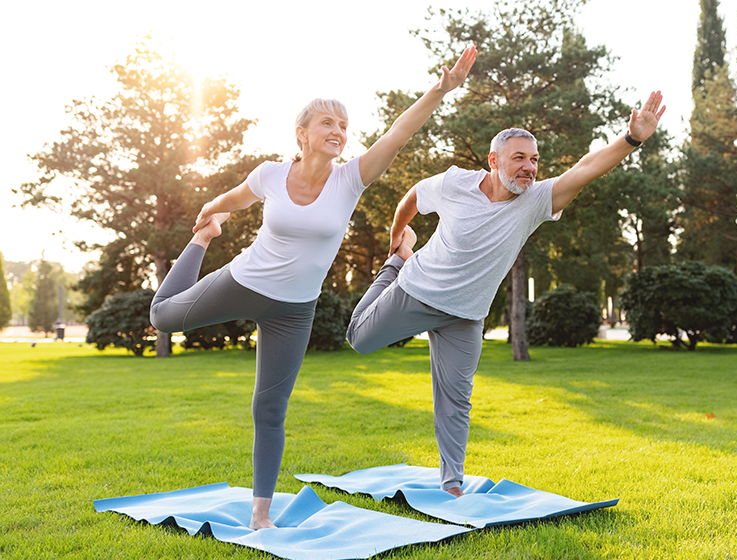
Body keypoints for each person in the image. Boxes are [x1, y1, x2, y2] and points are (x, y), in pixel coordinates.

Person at [149, 45, 477, 529]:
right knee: (161, 317)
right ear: (301, 134)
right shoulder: (271, 175)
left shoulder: (351, 179)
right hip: (243, 280)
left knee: (269, 407)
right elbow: (238, 196)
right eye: (328, 123)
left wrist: (440, 90)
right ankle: (200, 244)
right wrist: (209, 216)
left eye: (343, 126)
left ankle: (262, 514)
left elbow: (399, 133)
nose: (338, 132)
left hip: (294, 310)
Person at [346, 91, 666, 497]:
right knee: (358, 339)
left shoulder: (535, 201)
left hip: (465, 315)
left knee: (455, 402)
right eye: (519, 158)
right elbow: (412, 196)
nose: (529, 168)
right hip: (417, 290)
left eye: (534, 160)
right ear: (494, 160)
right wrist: (397, 241)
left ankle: (452, 486)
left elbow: (585, 169)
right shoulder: (454, 183)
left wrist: (631, 140)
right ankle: (395, 265)